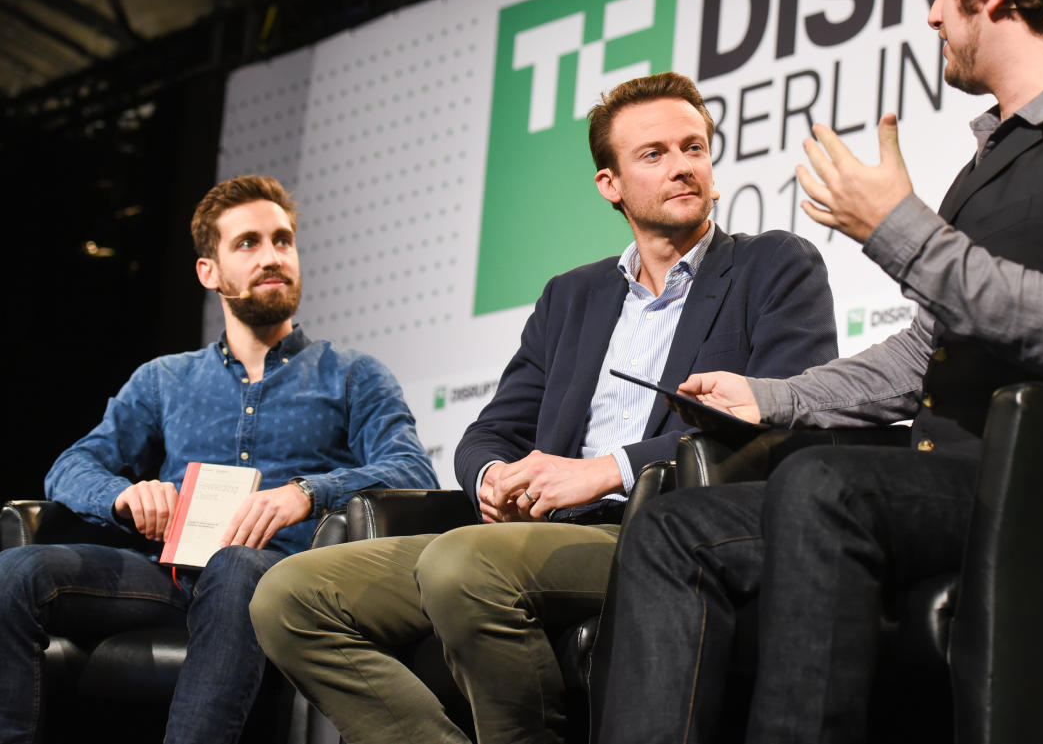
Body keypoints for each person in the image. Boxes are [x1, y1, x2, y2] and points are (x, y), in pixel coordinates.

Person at [595, 0, 1043, 743]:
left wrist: (896, 227)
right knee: (670, 529)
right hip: (949, 478)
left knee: (826, 481)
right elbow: (926, 354)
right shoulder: (991, 162)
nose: (930, 14)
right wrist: (771, 398)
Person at [249, 71, 838, 744]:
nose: (683, 167)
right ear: (608, 184)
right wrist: (491, 477)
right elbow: (489, 431)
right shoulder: (572, 296)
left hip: (658, 531)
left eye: (695, 147)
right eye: (655, 153)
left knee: (462, 566)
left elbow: (782, 421)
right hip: (533, 531)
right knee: (288, 596)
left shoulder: (773, 266)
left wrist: (603, 469)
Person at [0, 175, 439, 744]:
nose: (273, 256)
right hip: (169, 576)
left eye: (283, 240)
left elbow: (410, 470)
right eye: (248, 244)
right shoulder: (164, 379)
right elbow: (71, 467)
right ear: (210, 272)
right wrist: (125, 495)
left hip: (279, 574)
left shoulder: (352, 374)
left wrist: (306, 491)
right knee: (15, 572)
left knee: (235, 565)